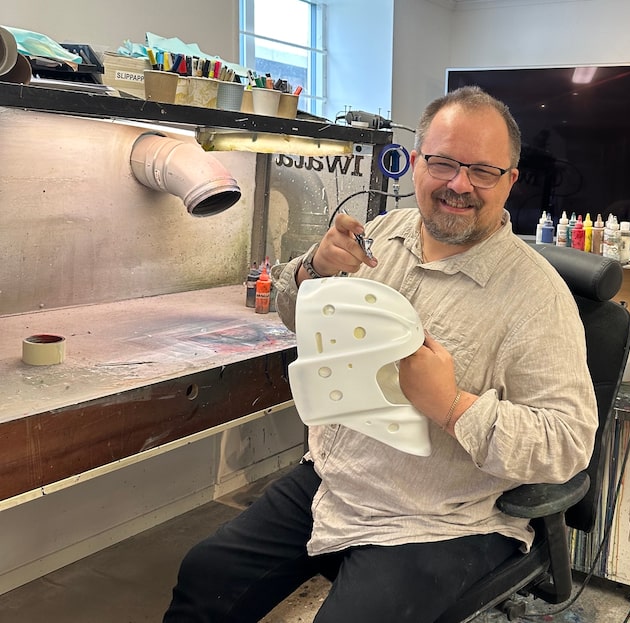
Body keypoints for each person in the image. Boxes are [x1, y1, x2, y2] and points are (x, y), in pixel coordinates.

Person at [163, 86, 597, 623]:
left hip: (442, 517)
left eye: (483, 171)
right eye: (443, 163)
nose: (459, 184)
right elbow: (296, 315)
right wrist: (313, 271)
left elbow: (567, 445)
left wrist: (454, 405)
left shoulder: (537, 297)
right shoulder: (379, 237)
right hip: (335, 479)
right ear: (416, 164)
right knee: (205, 574)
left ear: (510, 179)